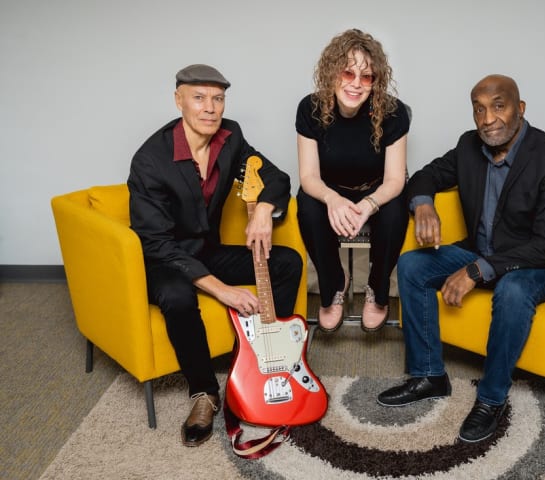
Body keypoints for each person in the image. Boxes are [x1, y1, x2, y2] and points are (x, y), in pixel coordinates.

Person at [377, 74, 545, 443]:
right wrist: (423, 206)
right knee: (412, 265)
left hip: (534, 266)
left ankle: (491, 398)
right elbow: (424, 176)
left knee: (513, 290)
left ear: (520, 108)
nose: (488, 119)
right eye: (479, 110)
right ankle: (429, 375)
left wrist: (477, 270)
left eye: (499, 106)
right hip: (480, 250)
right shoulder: (469, 146)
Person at [127, 64, 303, 447]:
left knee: (288, 263)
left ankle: (260, 361)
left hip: (207, 251)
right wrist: (222, 290)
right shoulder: (150, 160)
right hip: (164, 261)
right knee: (177, 295)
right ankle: (204, 392)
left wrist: (263, 209)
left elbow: (276, 177)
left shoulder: (230, 137)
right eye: (199, 97)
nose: (210, 107)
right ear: (178, 100)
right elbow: (156, 243)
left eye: (218, 98)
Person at [295, 29, 410, 333]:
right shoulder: (309, 109)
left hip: (377, 189)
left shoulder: (393, 112)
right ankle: (334, 283)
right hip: (329, 188)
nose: (356, 84)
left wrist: (369, 204)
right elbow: (308, 176)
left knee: (396, 208)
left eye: (366, 77)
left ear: (376, 81)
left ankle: (377, 288)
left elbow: (395, 179)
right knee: (306, 204)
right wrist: (332, 199)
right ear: (332, 72)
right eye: (348, 73)